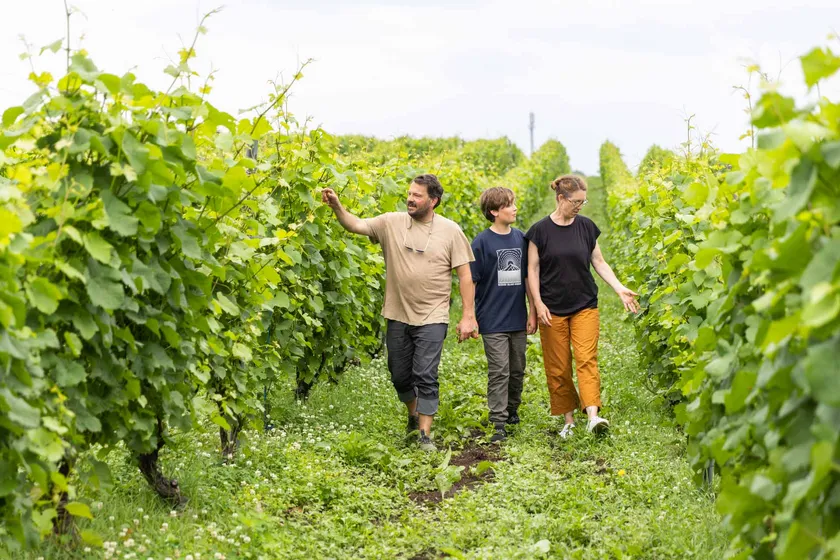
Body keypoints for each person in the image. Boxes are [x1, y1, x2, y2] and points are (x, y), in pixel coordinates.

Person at [321, 174, 478, 452]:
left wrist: (468, 316)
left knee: (425, 374)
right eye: (409, 193)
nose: (410, 199)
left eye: (417, 195)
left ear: (433, 201)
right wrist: (337, 207)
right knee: (399, 374)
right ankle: (413, 414)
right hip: (397, 313)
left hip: (433, 315)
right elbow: (355, 225)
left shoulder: (450, 231)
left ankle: (425, 435)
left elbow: (465, 276)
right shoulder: (391, 223)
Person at [525, 175, 639, 439]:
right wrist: (538, 304)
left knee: (587, 359)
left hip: (584, 304)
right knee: (558, 366)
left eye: (583, 202)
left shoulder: (586, 227)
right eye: (575, 201)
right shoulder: (539, 231)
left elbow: (598, 262)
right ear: (560, 198)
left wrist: (619, 287)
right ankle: (569, 420)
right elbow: (532, 270)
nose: (579, 206)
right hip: (552, 308)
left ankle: (592, 416)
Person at [470, 187, 537, 443]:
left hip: (517, 318)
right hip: (492, 319)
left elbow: (528, 277)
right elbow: (472, 281)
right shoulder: (481, 243)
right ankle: (498, 421)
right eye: (509, 205)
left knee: (517, 368)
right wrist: (469, 315)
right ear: (494, 211)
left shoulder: (521, 239)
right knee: (499, 370)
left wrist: (532, 311)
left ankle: (512, 410)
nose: (515, 208)